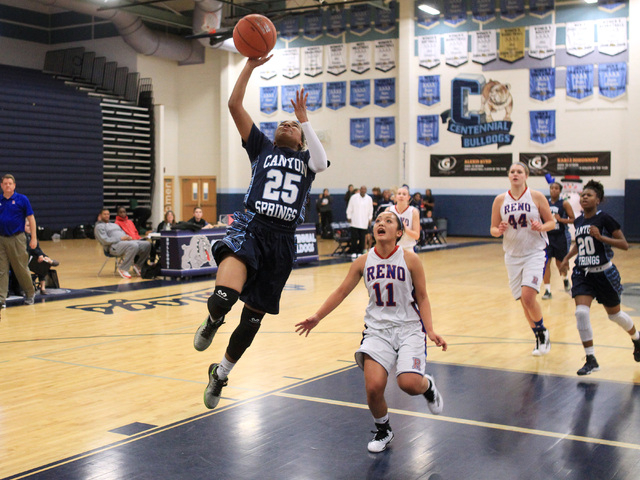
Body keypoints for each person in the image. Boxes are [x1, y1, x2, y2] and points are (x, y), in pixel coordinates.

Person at [192, 55, 328, 410]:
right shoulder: (262, 148)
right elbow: (234, 104)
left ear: (300, 140)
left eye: (293, 126)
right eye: (284, 122)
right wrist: (250, 65)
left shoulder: (306, 162)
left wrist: (305, 121)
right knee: (224, 298)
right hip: (252, 228)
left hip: (282, 243)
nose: (287, 124)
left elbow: (322, 161)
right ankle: (213, 319)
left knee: (251, 321)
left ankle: (220, 373)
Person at [295, 211, 447, 453]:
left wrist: (430, 329)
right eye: (378, 221)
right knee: (374, 387)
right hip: (377, 331)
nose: (381, 224)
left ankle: (427, 386)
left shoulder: (410, 260)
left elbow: (423, 296)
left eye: (388, 221)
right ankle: (383, 429)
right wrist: (317, 316)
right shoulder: (363, 262)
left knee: (408, 383)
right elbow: (341, 292)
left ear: (399, 233)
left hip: (409, 329)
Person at [559, 180, 640, 376]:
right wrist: (567, 258)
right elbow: (580, 242)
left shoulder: (605, 219)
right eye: (583, 194)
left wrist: (602, 238)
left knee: (615, 315)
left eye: (589, 195)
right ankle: (591, 358)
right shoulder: (578, 220)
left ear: (598, 200)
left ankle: (637, 338)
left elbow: (624, 244)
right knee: (581, 313)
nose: (584, 197)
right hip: (583, 274)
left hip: (604, 273)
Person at [490, 162, 555, 356]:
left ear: (526, 176)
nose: (515, 174)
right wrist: (498, 230)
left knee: (528, 296)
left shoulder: (536, 196)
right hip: (512, 256)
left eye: (519, 171)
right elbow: (492, 229)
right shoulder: (500, 200)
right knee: (523, 302)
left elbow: (551, 222)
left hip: (534, 252)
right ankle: (538, 336)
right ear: (508, 176)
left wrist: (541, 227)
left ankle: (543, 332)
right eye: (512, 171)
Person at [0, 173, 37, 309]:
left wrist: (34, 237)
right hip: (1, 239)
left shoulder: (22, 199)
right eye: (5, 183)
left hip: (17, 238)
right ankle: (1, 298)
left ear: (14, 185)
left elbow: (31, 219)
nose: (7, 185)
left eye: (10, 183)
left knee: (21, 268)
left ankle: (29, 293)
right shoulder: (0, 200)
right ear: (1, 185)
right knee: (1, 270)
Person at [94, 208, 151, 279]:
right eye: (104, 214)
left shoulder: (114, 225)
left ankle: (138, 265)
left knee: (146, 244)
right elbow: (105, 241)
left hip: (125, 242)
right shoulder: (99, 227)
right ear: (100, 216)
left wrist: (128, 237)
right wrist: (120, 239)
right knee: (133, 245)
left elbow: (122, 233)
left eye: (108, 214)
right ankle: (123, 268)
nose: (106, 216)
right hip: (113, 246)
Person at [542, 182, 575, 300]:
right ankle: (547, 290)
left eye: (556, 188)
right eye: (552, 188)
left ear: (560, 191)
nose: (553, 190)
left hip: (560, 237)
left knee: (559, 264)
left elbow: (573, 219)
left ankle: (565, 280)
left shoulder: (564, 203)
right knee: (545, 264)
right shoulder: (545, 202)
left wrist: (561, 220)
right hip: (547, 237)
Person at [25, 221, 59, 295]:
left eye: (31, 226)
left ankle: (43, 288)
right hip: (25, 259)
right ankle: (49, 261)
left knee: (42, 264)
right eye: (28, 226)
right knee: (41, 263)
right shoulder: (21, 237)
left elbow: (38, 249)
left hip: (33, 257)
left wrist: (43, 256)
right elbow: (30, 248)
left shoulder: (32, 236)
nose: (30, 228)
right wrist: (39, 255)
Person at [386, 185, 420, 251]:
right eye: (399, 194)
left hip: (408, 249)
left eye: (404, 194)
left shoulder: (413, 211)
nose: (401, 196)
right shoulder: (389, 210)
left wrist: (406, 229)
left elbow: (417, 235)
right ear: (396, 196)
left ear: (408, 197)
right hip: (392, 248)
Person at [346, 185, 373, 257]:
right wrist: (349, 216)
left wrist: (370, 218)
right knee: (354, 238)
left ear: (366, 191)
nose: (363, 191)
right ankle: (353, 252)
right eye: (362, 189)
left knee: (362, 238)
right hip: (354, 221)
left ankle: (361, 252)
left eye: (364, 190)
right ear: (360, 190)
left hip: (364, 222)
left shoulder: (369, 199)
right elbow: (350, 207)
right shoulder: (354, 197)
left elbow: (371, 209)